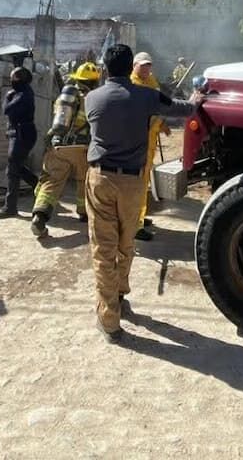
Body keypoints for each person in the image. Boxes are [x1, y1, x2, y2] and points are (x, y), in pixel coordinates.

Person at [84, 43, 203, 342]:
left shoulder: (92, 98)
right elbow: (182, 108)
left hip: (100, 179)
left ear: (105, 68)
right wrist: (196, 98)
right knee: (126, 244)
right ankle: (119, 296)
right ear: (132, 68)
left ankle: (109, 319)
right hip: (133, 182)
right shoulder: (147, 97)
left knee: (103, 251)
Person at [30, 61, 100, 238]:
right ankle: (84, 213)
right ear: (95, 81)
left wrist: (50, 137)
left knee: (52, 180)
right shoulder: (97, 99)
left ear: (77, 79)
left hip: (61, 145)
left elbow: (59, 122)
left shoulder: (67, 95)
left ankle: (40, 216)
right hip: (84, 148)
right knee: (84, 181)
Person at [129, 51, 170, 241]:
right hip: (138, 143)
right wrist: (158, 121)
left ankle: (139, 217)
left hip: (149, 143)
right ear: (134, 66)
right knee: (136, 185)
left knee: (143, 183)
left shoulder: (151, 82)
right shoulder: (133, 85)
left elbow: (157, 107)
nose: (146, 69)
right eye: (142, 65)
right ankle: (135, 225)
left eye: (148, 65)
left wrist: (162, 124)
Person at [0, 66, 37, 219]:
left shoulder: (24, 94)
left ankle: (10, 207)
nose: (10, 80)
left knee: (12, 170)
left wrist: (8, 97)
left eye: (12, 77)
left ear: (19, 79)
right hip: (18, 133)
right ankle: (38, 185)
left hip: (23, 134)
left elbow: (7, 110)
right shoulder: (20, 92)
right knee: (16, 167)